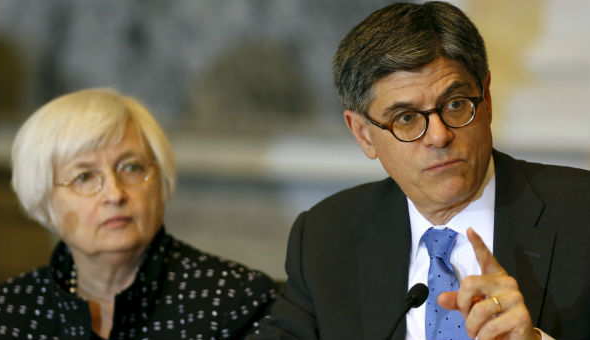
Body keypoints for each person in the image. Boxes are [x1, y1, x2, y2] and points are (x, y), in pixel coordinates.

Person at [252, 2, 590, 340]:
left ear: (486, 98)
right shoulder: (328, 236)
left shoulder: (580, 214)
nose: (439, 136)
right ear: (363, 134)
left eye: (456, 104)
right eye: (406, 118)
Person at [0, 88, 277, 340]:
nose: (115, 194)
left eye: (131, 167)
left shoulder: (235, 300)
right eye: (84, 177)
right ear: (45, 204)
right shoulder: (3, 314)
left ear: (162, 181)